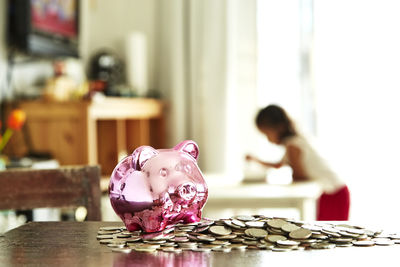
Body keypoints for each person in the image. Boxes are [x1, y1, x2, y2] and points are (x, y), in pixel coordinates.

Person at [246, 104, 350, 221]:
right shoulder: (294, 141)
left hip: (333, 193)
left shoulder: (293, 145)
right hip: (333, 190)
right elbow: (278, 165)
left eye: (267, 134)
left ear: (278, 127)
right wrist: (256, 160)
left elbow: (299, 175)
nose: (268, 139)